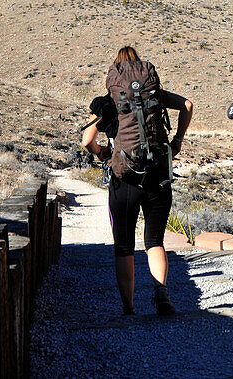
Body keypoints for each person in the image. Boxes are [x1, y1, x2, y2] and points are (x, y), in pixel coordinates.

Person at [81, 45, 192, 316]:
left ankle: (129, 307)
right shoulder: (155, 94)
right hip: (157, 174)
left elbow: (87, 139)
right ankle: (161, 293)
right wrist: (177, 139)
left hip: (124, 178)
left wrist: (102, 153)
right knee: (154, 239)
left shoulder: (110, 102)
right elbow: (187, 104)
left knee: (124, 245)